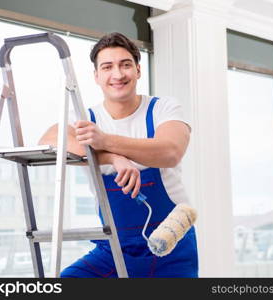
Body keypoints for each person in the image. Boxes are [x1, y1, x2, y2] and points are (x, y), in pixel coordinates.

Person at [38, 32, 198, 278]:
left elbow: (170, 151)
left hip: (170, 246)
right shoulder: (85, 118)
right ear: (97, 76)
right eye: (107, 67)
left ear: (138, 70)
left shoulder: (162, 108)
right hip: (112, 248)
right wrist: (112, 158)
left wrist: (105, 141)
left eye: (125, 65)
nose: (118, 74)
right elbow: (49, 141)